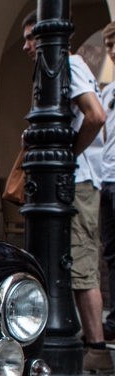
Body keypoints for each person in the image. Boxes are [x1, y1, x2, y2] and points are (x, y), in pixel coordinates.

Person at [23, 11, 110, 373]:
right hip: (71, 180)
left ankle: (97, 348)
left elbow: (96, 116)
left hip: (77, 180)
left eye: (32, 37)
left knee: (81, 264)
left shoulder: (67, 62)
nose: (28, 45)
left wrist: (68, 154)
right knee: (69, 260)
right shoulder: (60, 65)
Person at [100, 22, 115, 346]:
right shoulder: (109, 91)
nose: (112, 52)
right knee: (111, 253)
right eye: (109, 45)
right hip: (107, 177)